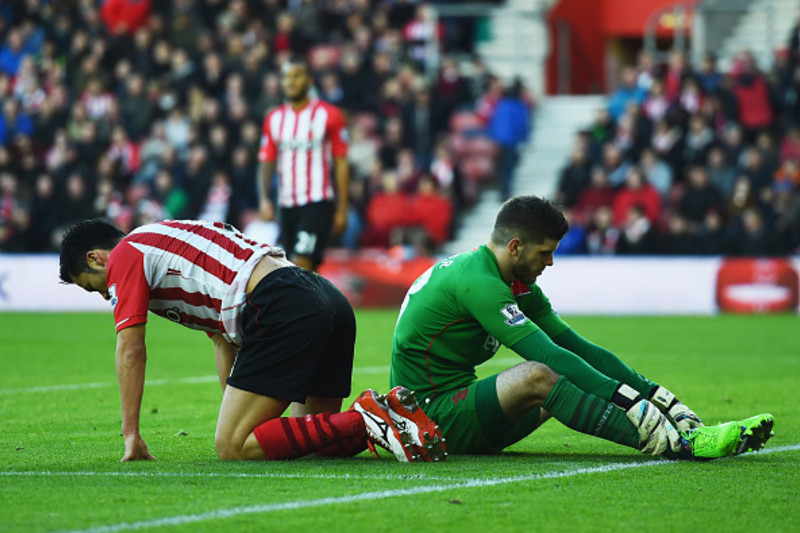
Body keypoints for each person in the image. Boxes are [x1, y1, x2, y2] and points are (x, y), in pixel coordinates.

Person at [390, 195, 774, 459]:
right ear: (516, 247)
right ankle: (676, 444)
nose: (551, 262)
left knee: (567, 375)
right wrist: (632, 402)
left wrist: (658, 395)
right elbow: (548, 356)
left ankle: (677, 429)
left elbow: (576, 346)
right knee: (539, 376)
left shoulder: (515, 283)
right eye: (545, 252)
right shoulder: (480, 284)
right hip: (427, 418)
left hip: (463, 411)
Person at [59, 218, 445, 463]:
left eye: (93, 288)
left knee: (232, 447)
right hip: (325, 297)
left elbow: (131, 349)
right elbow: (221, 339)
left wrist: (131, 433)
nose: (104, 295)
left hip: (283, 303)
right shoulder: (168, 239)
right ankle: (386, 415)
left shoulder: (126, 255)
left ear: (95, 258)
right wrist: (236, 402)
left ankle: (366, 417)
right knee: (313, 440)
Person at [257, 58, 350, 272]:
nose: (291, 82)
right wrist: (264, 200)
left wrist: (342, 209)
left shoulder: (330, 115)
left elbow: (342, 163)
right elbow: (266, 161)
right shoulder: (274, 118)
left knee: (302, 263)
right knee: (293, 267)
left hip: (317, 201)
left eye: (297, 76)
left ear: (309, 81)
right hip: (286, 204)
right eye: (286, 77)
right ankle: (319, 305)